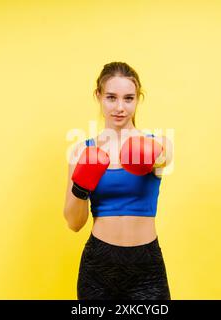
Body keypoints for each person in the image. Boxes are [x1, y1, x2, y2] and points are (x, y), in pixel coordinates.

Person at [63, 61, 173, 300]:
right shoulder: (81, 151)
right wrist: (81, 186)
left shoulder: (159, 143)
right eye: (111, 97)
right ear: (99, 96)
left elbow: (165, 157)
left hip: (146, 265)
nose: (120, 107)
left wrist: (148, 154)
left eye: (129, 98)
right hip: (99, 264)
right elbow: (74, 223)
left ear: (138, 99)